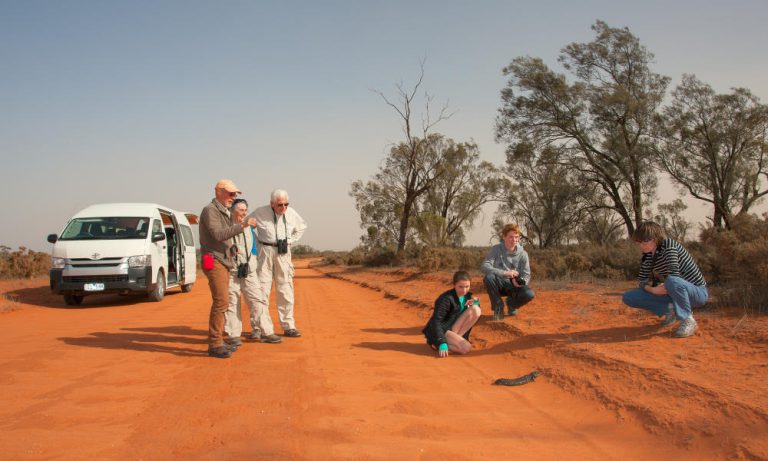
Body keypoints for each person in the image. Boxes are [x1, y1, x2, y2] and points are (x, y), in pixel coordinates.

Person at [199, 179, 257, 359]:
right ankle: (215, 344)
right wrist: (243, 226)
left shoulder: (222, 211)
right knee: (221, 302)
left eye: (235, 195)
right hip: (214, 260)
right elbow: (218, 234)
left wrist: (231, 248)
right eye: (231, 194)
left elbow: (223, 238)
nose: (233, 198)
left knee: (223, 302)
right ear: (219, 191)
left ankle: (218, 342)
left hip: (223, 259)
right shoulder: (210, 211)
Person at [622, 221, 707, 338]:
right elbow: (641, 281)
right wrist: (652, 290)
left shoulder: (669, 245)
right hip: (673, 290)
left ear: (655, 239)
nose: (641, 245)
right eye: (638, 242)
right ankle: (671, 311)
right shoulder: (647, 256)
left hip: (697, 293)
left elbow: (674, 275)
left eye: (644, 241)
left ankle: (688, 320)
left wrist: (664, 286)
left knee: (672, 280)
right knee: (629, 297)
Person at [249, 189, 307, 338]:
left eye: (286, 204)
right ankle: (258, 327)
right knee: (262, 290)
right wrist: (257, 242)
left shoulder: (292, 213)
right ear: (272, 204)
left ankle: (289, 326)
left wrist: (290, 241)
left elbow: (302, 227)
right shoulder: (260, 212)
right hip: (265, 252)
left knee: (285, 289)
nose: (284, 208)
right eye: (280, 205)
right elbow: (246, 226)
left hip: (283, 253)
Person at [224, 199, 283, 345]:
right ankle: (233, 335)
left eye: (245, 210)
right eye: (241, 210)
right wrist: (229, 250)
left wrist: (253, 261)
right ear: (232, 211)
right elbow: (220, 242)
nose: (244, 213)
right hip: (232, 270)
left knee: (258, 300)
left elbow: (254, 246)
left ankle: (267, 331)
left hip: (249, 270)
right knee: (232, 302)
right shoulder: (226, 225)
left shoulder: (249, 226)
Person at [481, 223, 535, 321]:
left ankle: (511, 304)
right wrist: (504, 273)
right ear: (504, 237)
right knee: (489, 278)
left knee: (529, 294)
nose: (514, 240)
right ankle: (498, 308)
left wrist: (520, 282)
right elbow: (485, 266)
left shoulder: (523, 254)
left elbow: (526, 275)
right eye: (510, 237)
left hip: (514, 286)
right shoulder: (496, 249)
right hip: (499, 283)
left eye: (516, 237)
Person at [423, 271, 482, 358]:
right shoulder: (446, 299)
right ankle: (437, 344)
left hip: (452, 328)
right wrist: (442, 341)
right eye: (460, 287)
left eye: (467, 286)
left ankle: (457, 339)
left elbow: (472, 312)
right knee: (466, 348)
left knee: (476, 310)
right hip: (440, 331)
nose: (464, 290)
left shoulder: (468, 296)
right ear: (454, 285)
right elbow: (436, 321)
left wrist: (476, 302)